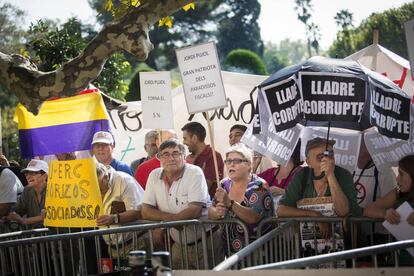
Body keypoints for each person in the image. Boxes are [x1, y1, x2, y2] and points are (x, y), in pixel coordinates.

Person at [141, 139, 218, 269]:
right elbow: (145, 211)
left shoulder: (195, 172)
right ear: (159, 158)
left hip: (205, 242)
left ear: (184, 157)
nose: (170, 158)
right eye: (165, 154)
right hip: (178, 245)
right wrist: (169, 223)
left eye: (176, 153)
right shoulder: (154, 175)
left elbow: (195, 210)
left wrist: (166, 223)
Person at [277, 137, 360, 237]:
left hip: (345, 244)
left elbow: (343, 211)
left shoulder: (344, 175)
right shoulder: (301, 176)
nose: (327, 161)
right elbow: (281, 210)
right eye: (321, 157)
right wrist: (314, 215)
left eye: (330, 155)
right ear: (309, 162)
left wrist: (330, 175)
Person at [208, 143, 274, 254]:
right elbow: (210, 213)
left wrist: (230, 203)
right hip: (230, 251)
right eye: (228, 161)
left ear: (249, 164)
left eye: (237, 161)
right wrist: (217, 212)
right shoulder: (224, 184)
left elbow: (254, 217)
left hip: (259, 252)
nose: (231, 165)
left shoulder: (259, 186)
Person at [95, 163, 144, 254]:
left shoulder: (124, 180)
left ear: (106, 177)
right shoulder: (92, 187)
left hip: (137, 244)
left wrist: (114, 218)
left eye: (99, 189)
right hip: (113, 248)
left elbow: (139, 211)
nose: (97, 192)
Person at [363, 155, 414, 225]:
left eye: (401, 174)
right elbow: (367, 210)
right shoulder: (398, 193)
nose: (397, 178)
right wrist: (384, 213)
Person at [182, 122, 224, 199]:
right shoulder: (189, 157)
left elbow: (204, 189)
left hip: (207, 207)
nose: (183, 142)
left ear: (194, 138)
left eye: (185, 138)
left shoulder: (213, 156)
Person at [6, 160, 49, 228]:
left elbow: (49, 217)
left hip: (59, 235)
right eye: (26, 173)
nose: (28, 177)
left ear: (44, 176)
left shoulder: (54, 191)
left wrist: (23, 221)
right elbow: (17, 210)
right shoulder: (27, 190)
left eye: (33, 173)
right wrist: (12, 215)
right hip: (35, 236)